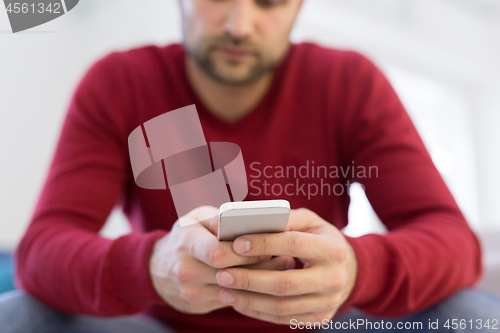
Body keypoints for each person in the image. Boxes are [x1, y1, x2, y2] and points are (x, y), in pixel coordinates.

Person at [1, 0, 499, 332]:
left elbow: (453, 242)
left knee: (473, 314)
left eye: (269, 1)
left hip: (320, 323)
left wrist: (357, 270)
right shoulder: (118, 82)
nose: (240, 25)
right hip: (162, 323)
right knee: (19, 314)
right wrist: (151, 268)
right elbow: (41, 252)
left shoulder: (350, 81)